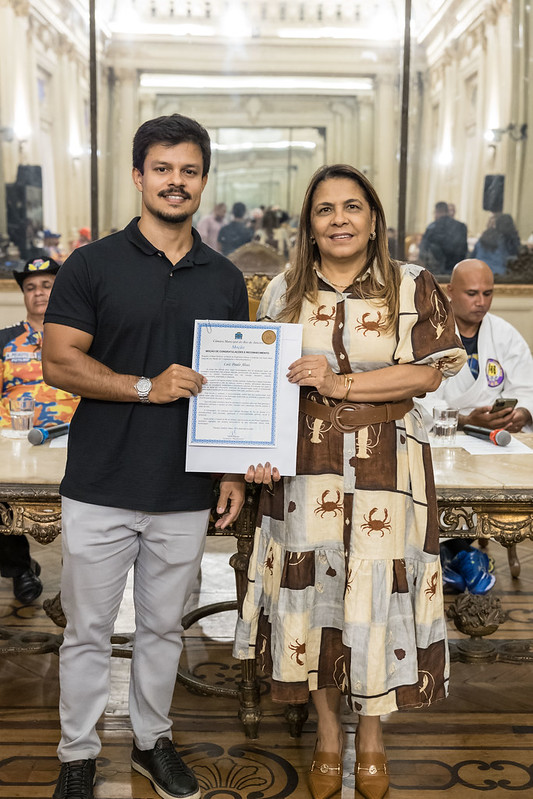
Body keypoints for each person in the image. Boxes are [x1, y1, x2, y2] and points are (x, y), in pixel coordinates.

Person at [233, 164, 466, 799]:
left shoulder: (411, 285)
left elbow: (425, 375)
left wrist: (338, 382)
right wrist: (255, 448)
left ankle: (374, 734)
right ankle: (329, 733)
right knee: (315, 599)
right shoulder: (283, 290)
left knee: (377, 600)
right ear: (307, 225)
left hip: (387, 465)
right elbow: (260, 383)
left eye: (352, 207)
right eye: (325, 210)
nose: (339, 220)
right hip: (304, 468)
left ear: (373, 219)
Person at [42, 113, 249, 799]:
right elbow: (59, 360)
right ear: (138, 176)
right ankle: (78, 753)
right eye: (162, 168)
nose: (175, 181)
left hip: (184, 488)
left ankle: (152, 740)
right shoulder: (92, 263)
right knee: (87, 631)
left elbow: (233, 388)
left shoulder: (223, 278)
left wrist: (228, 469)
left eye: (188, 170)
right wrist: (144, 386)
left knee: (163, 628)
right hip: (99, 483)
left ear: (202, 180)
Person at [0, 257, 79, 605]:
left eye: (46, 285)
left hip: (71, 437)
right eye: (31, 287)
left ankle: (78, 581)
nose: (38, 293)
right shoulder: (5, 339)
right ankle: (19, 567)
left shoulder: (79, 336)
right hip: (11, 440)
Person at [417, 258, 533, 432]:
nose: (481, 302)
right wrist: (465, 421)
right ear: (451, 291)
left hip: (499, 433)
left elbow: (526, 389)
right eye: (472, 294)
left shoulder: (505, 333)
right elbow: (420, 401)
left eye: (487, 294)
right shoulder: (428, 333)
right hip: (446, 434)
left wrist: (521, 413)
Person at [419, 201, 468, 274]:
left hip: (436, 273)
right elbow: (464, 250)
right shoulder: (461, 226)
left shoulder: (432, 227)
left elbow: (423, 252)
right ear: (447, 211)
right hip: (456, 270)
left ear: (436, 212)